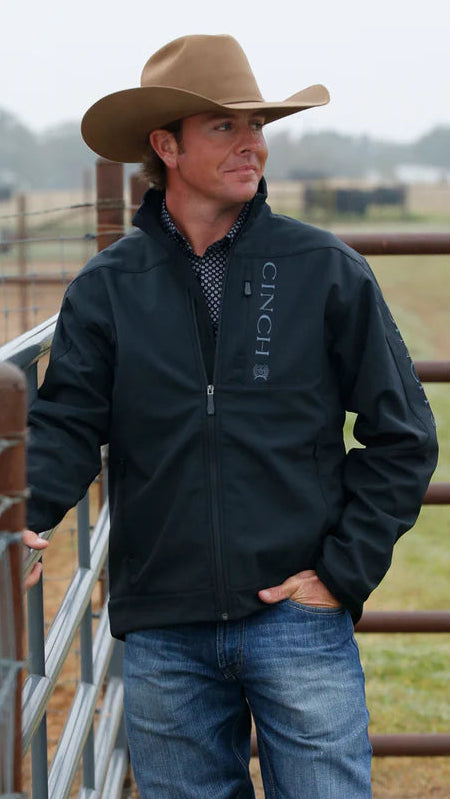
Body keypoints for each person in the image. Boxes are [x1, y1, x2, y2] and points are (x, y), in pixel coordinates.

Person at [25, 34, 438, 798]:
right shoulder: (108, 288)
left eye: (257, 126)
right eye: (225, 126)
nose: (253, 143)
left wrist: (342, 572)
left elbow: (404, 434)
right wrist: (23, 512)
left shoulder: (325, 269)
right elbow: (68, 421)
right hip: (165, 625)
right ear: (166, 146)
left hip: (297, 616)